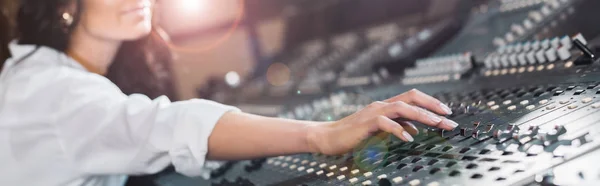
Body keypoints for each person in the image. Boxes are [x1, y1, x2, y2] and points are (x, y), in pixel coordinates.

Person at [0, 0, 459, 186]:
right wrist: (320, 135)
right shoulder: (47, 92)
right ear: (63, 6)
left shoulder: (49, 77)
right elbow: (164, 126)